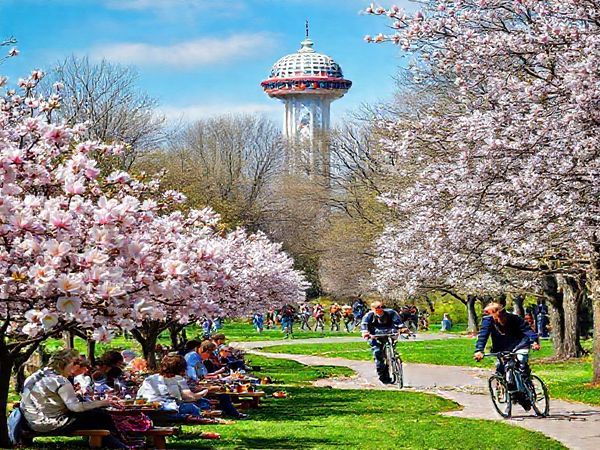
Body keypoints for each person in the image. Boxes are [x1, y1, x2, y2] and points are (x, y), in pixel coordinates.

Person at [20, 349, 126, 448]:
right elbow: (75, 407)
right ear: (67, 364)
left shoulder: (34, 376)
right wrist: (104, 402)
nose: (75, 369)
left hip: (32, 421)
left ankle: (117, 441)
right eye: (75, 364)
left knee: (94, 415)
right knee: (100, 415)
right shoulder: (59, 381)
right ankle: (119, 444)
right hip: (51, 423)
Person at [473, 302, 540, 410]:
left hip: (519, 344)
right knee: (500, 366)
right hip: (501, 347)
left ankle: (526, 384)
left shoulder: (514, 318)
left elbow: (527, 330)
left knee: (521, 360)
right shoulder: (488, 321)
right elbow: (483, 336)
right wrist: (479, 350)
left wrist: (534, 341)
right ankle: (507, 389)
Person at [136, 354, 208, 421]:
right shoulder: (178, 378)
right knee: (196, 405)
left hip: (148, 410)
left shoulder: (150, 378)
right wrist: (204, 392)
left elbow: (140, 395)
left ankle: (182, 416)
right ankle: (191, 416)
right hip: (166, 408)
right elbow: (190, 397)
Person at [361, 301, 406, 384]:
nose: (380, 309)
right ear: (373, 309)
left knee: (391, 347)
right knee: (378, 353)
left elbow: (399, 323)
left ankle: (394, 358)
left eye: (381, 307)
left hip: (389, 333)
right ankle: (383, 376)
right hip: (375, 335)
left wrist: (403, 328)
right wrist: (365, 333)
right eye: (377, 308)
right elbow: (364, 325)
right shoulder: (369, 315)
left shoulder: (391, 313)